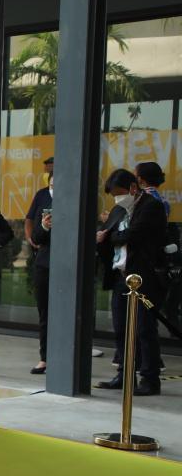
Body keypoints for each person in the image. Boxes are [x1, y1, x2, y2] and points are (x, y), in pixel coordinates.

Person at [95, 169, 167, 396]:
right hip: (121, 276)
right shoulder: (119, 210)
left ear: (133, 188)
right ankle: (124, 374)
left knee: (144, 328)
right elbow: (105, 233)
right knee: (121, 328)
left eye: (119, 193)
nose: (117, 199)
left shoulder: (151, 206)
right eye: (113, 195)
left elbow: (132, 235)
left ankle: (150, 378)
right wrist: (106, 236)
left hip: (143, 276)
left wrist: (110, 236)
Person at [24, 170, 54, 374]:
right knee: (45, 312)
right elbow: (34, 233)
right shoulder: (42, 196)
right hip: (45, 262)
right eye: (52, 185)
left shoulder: (74, 198)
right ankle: (45, 358)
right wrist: (43, 227)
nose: (53, 189)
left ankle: (67, 356)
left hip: (69, 263)